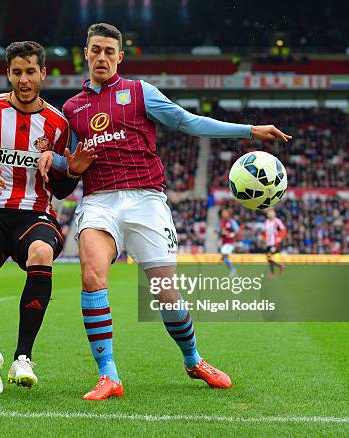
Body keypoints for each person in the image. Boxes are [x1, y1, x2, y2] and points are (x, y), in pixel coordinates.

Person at [42, 23, 292, 400]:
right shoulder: (72, 109)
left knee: (165, 294)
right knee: (93, 276)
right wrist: (55, 159)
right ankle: (109, 375)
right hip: (98, 201)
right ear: (86, 53)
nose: (103, 57)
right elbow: (71, 164)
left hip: (146, 200)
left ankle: (193, 359)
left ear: (119, 57)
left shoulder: (140, 92)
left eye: (110, 51)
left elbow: (188, 122)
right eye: (96, 50)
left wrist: (249, 129)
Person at [0, 41, 95, 396]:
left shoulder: (57, 122)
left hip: (36, 212)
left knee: (41, 253)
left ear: (43, 73)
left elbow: (62, 190)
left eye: (30, 72)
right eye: (17, 72)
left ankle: (23, 356)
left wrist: (73, 172)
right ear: (8, 73)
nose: (24, 79)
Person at [263, 209, 287, 279]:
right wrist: (264, 238)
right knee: (268, 258)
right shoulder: (266, 222)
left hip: (274, 242)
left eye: (271, 213)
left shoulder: (277, 221)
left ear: (274, 214)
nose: (269, 214)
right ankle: (280, 265)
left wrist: (279, 238)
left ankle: (272, 273)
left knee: (269, 256)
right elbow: (265, 232)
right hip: (268, 242)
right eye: (269, 213)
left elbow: (284, 230)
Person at [217, 208, 239, 277]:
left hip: (230, 242)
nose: (225, 214)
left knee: (224, 255)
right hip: (224, 242)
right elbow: (216, 231)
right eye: (223, 213)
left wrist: (231, 234)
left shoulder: (231, 221)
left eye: (225, 212)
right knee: (224, 257)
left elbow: (238, 230)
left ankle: (233, 270)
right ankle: (234, 272)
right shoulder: (221, 223)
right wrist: (221, 232)